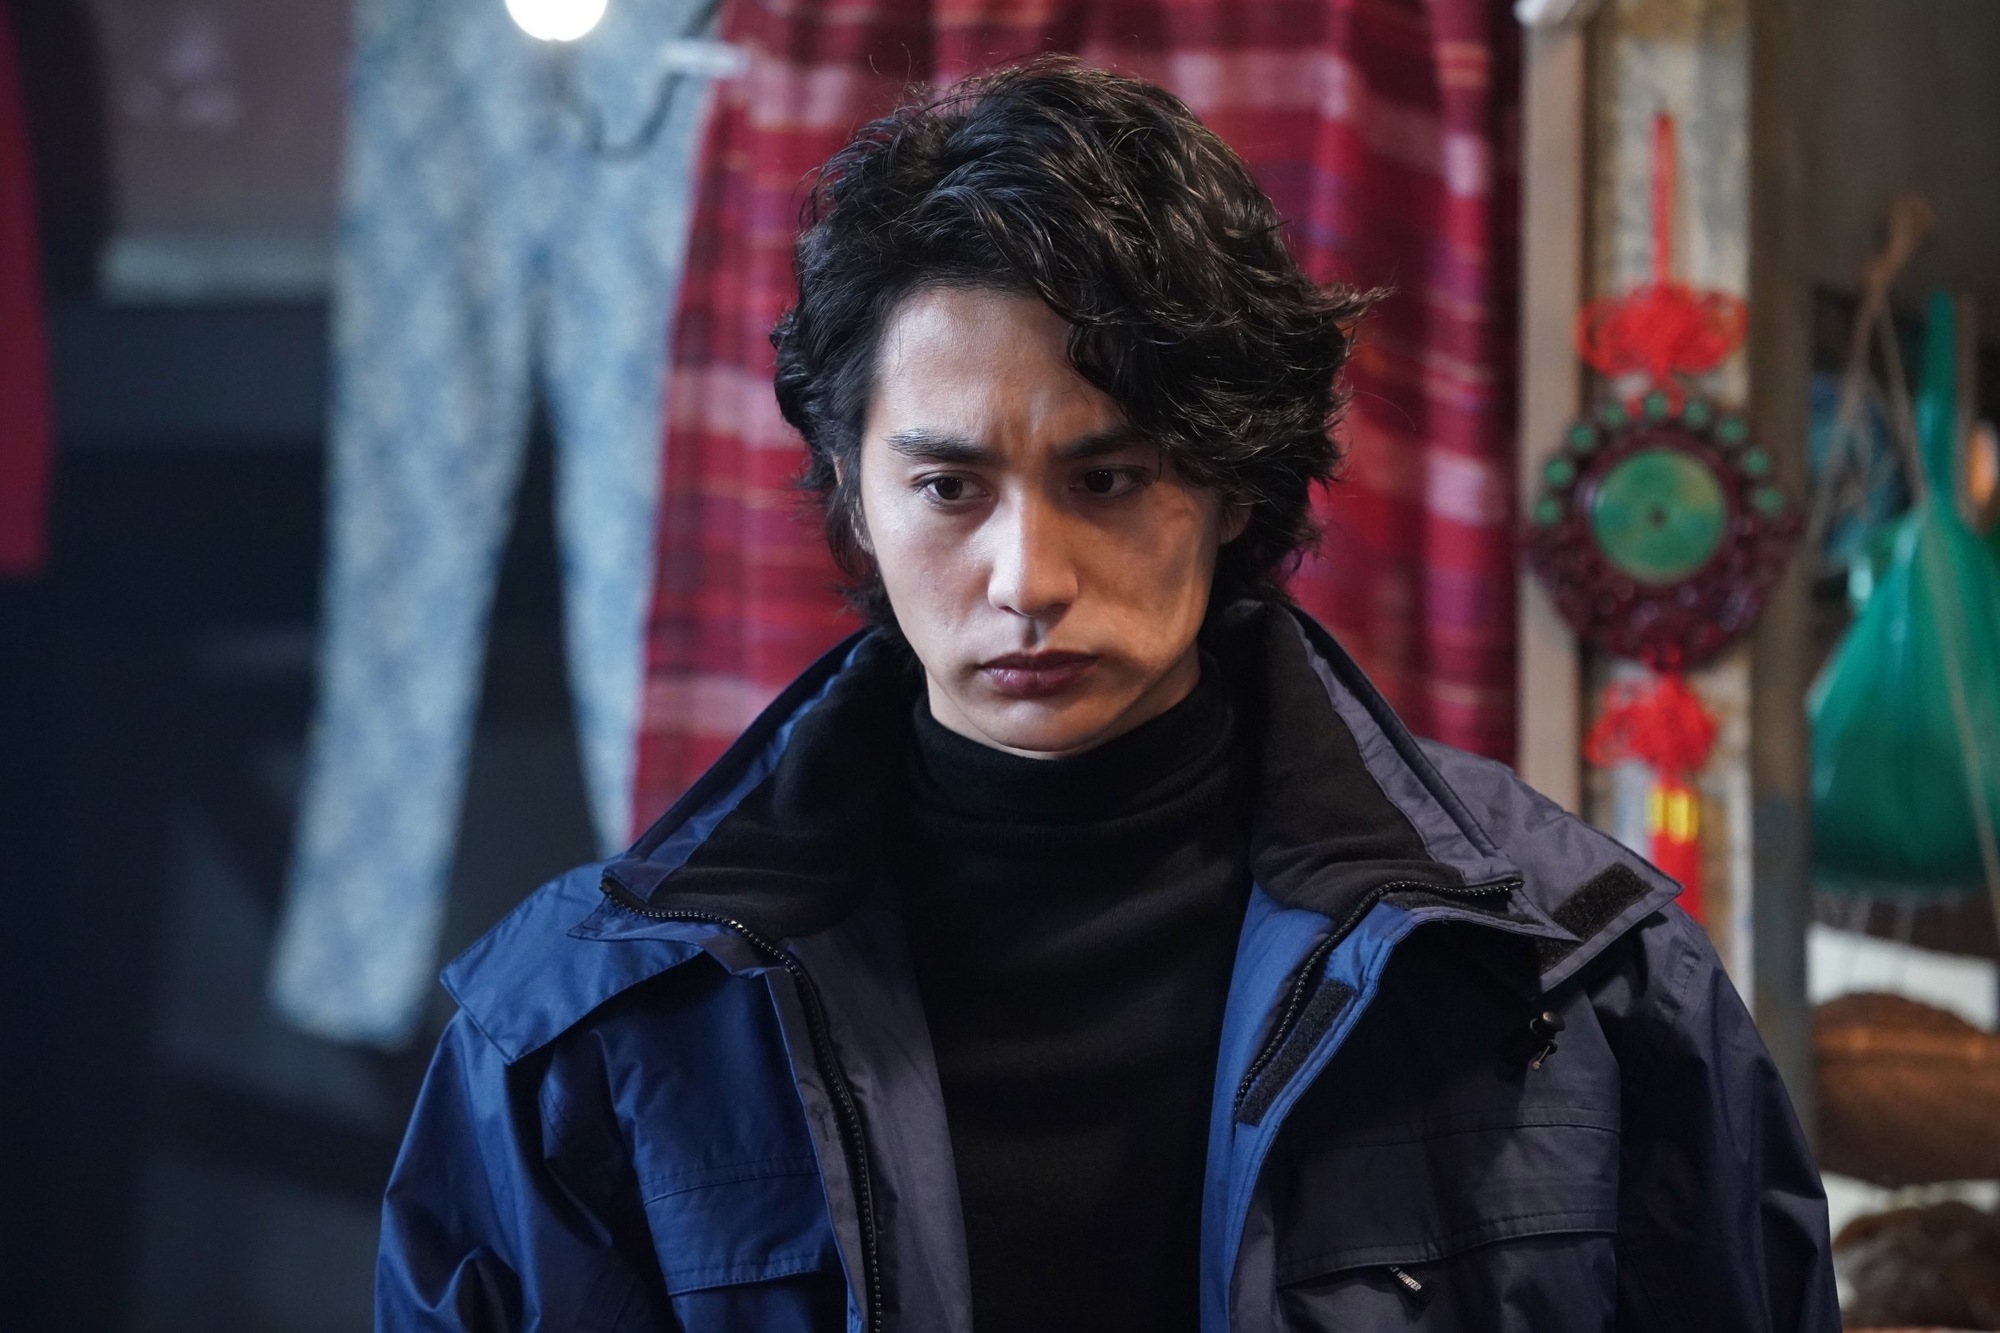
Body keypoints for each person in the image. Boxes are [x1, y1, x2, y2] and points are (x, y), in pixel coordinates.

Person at [375, 57, 1838, 1333]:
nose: (1028, 577)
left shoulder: (1572, 973)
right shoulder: (589, 1029)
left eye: (1110, 478)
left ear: (1232, 484)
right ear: (853, 494)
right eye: (949, 487)